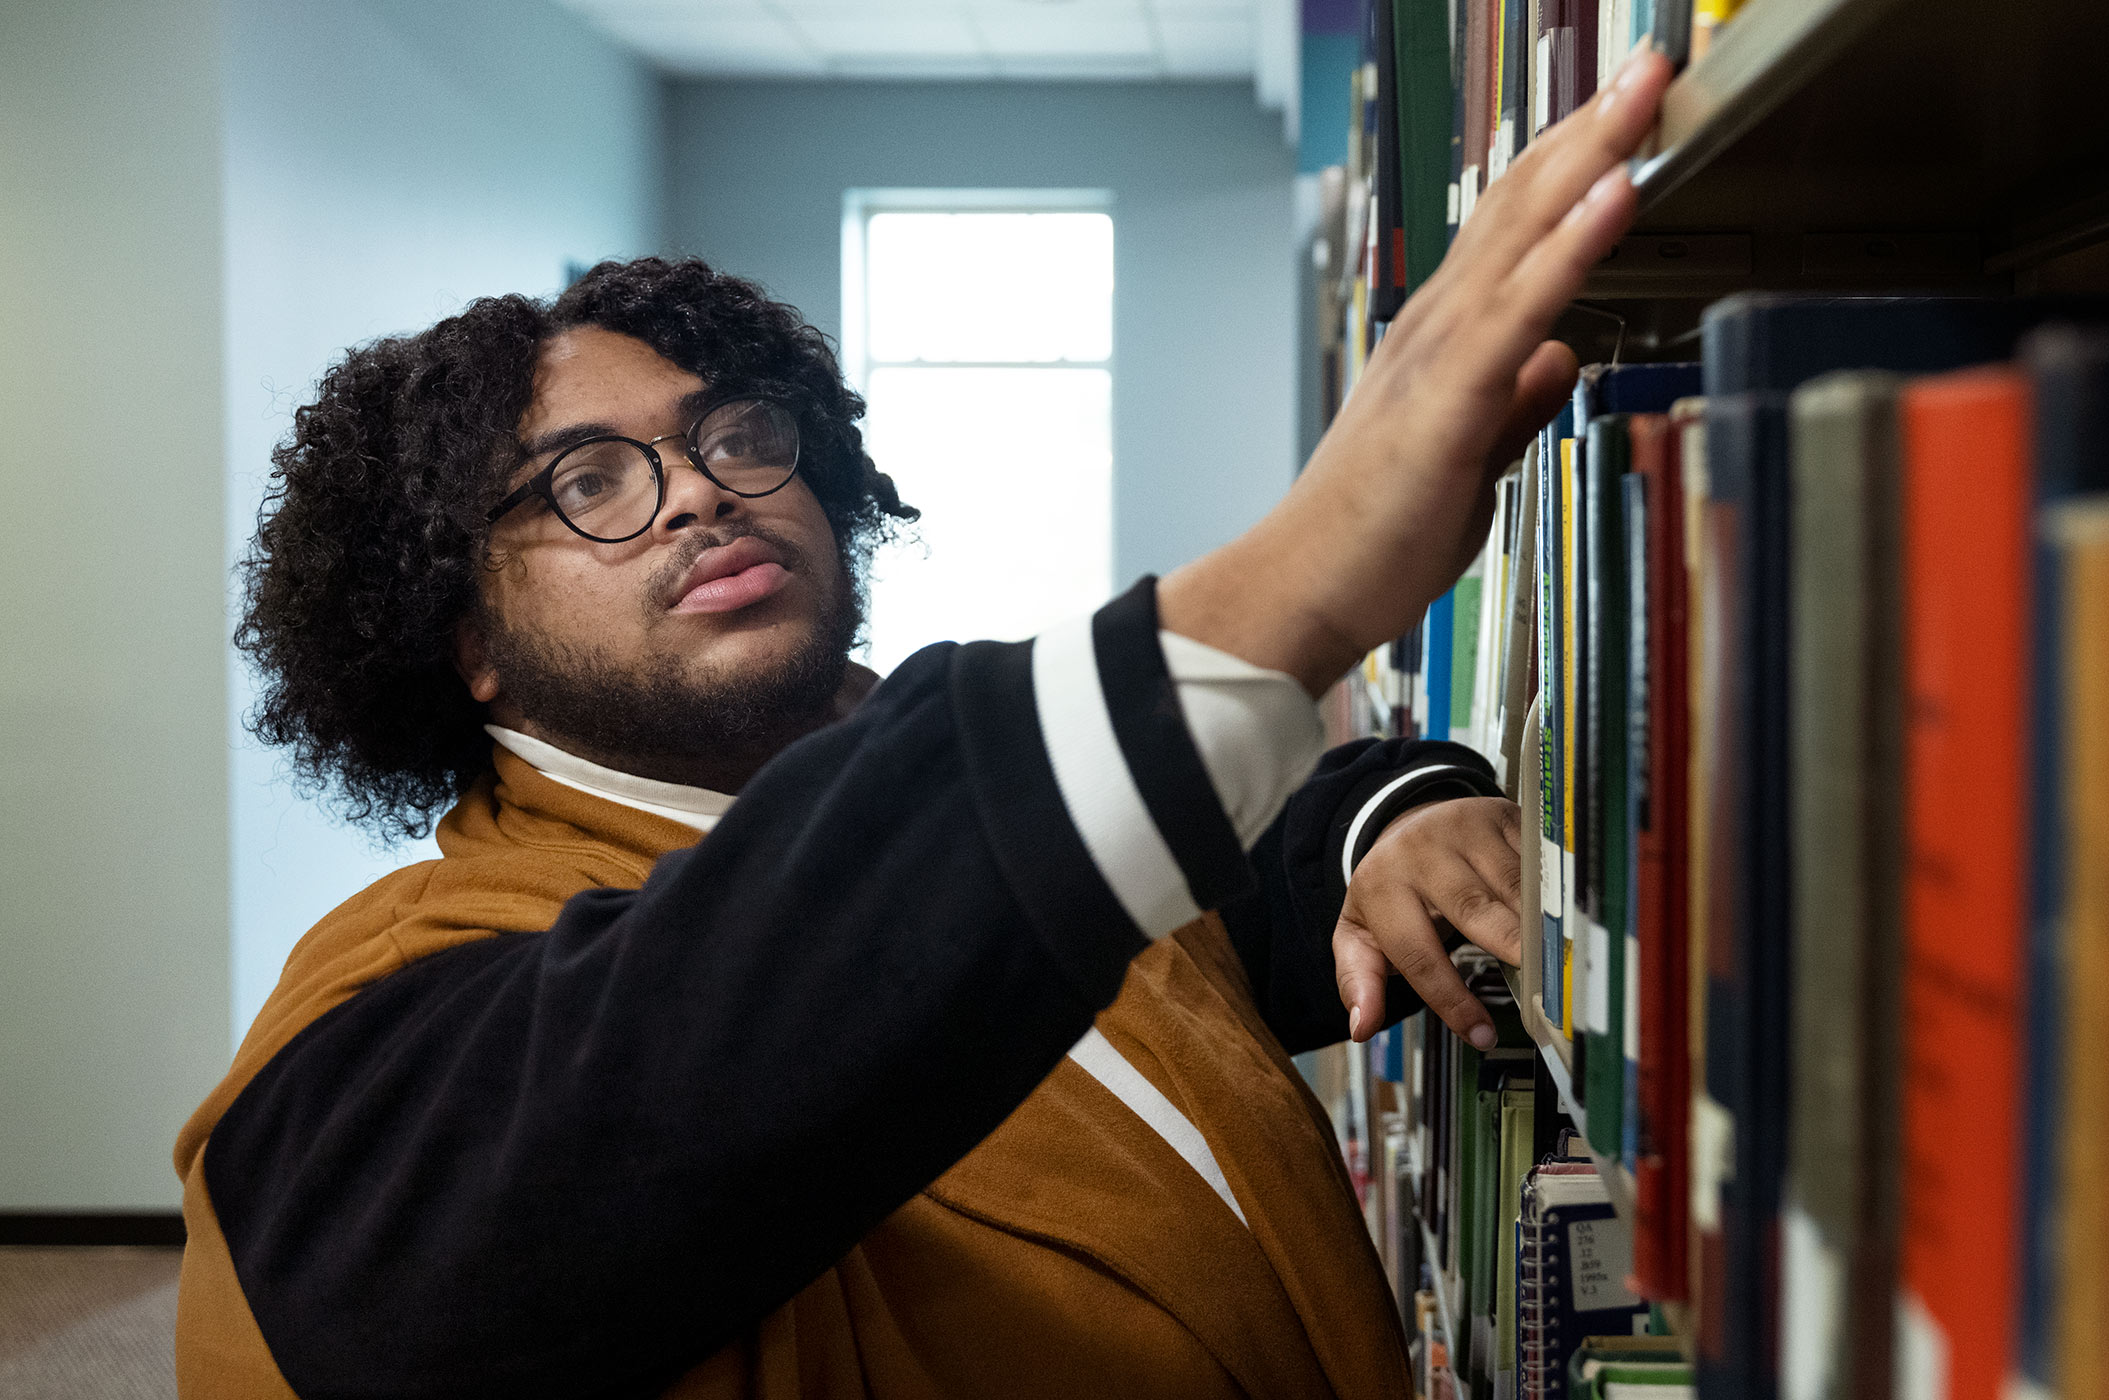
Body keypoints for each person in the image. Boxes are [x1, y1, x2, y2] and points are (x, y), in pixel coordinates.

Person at [174, 54, 1672, 1399]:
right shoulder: (391, 1008)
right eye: (590, 482)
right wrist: (1285, 583)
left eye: (732, 436)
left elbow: (1210, 887)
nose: (699, 491)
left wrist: (1383, 816)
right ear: (468, 644)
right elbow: (712, 1037)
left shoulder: (938, 795)